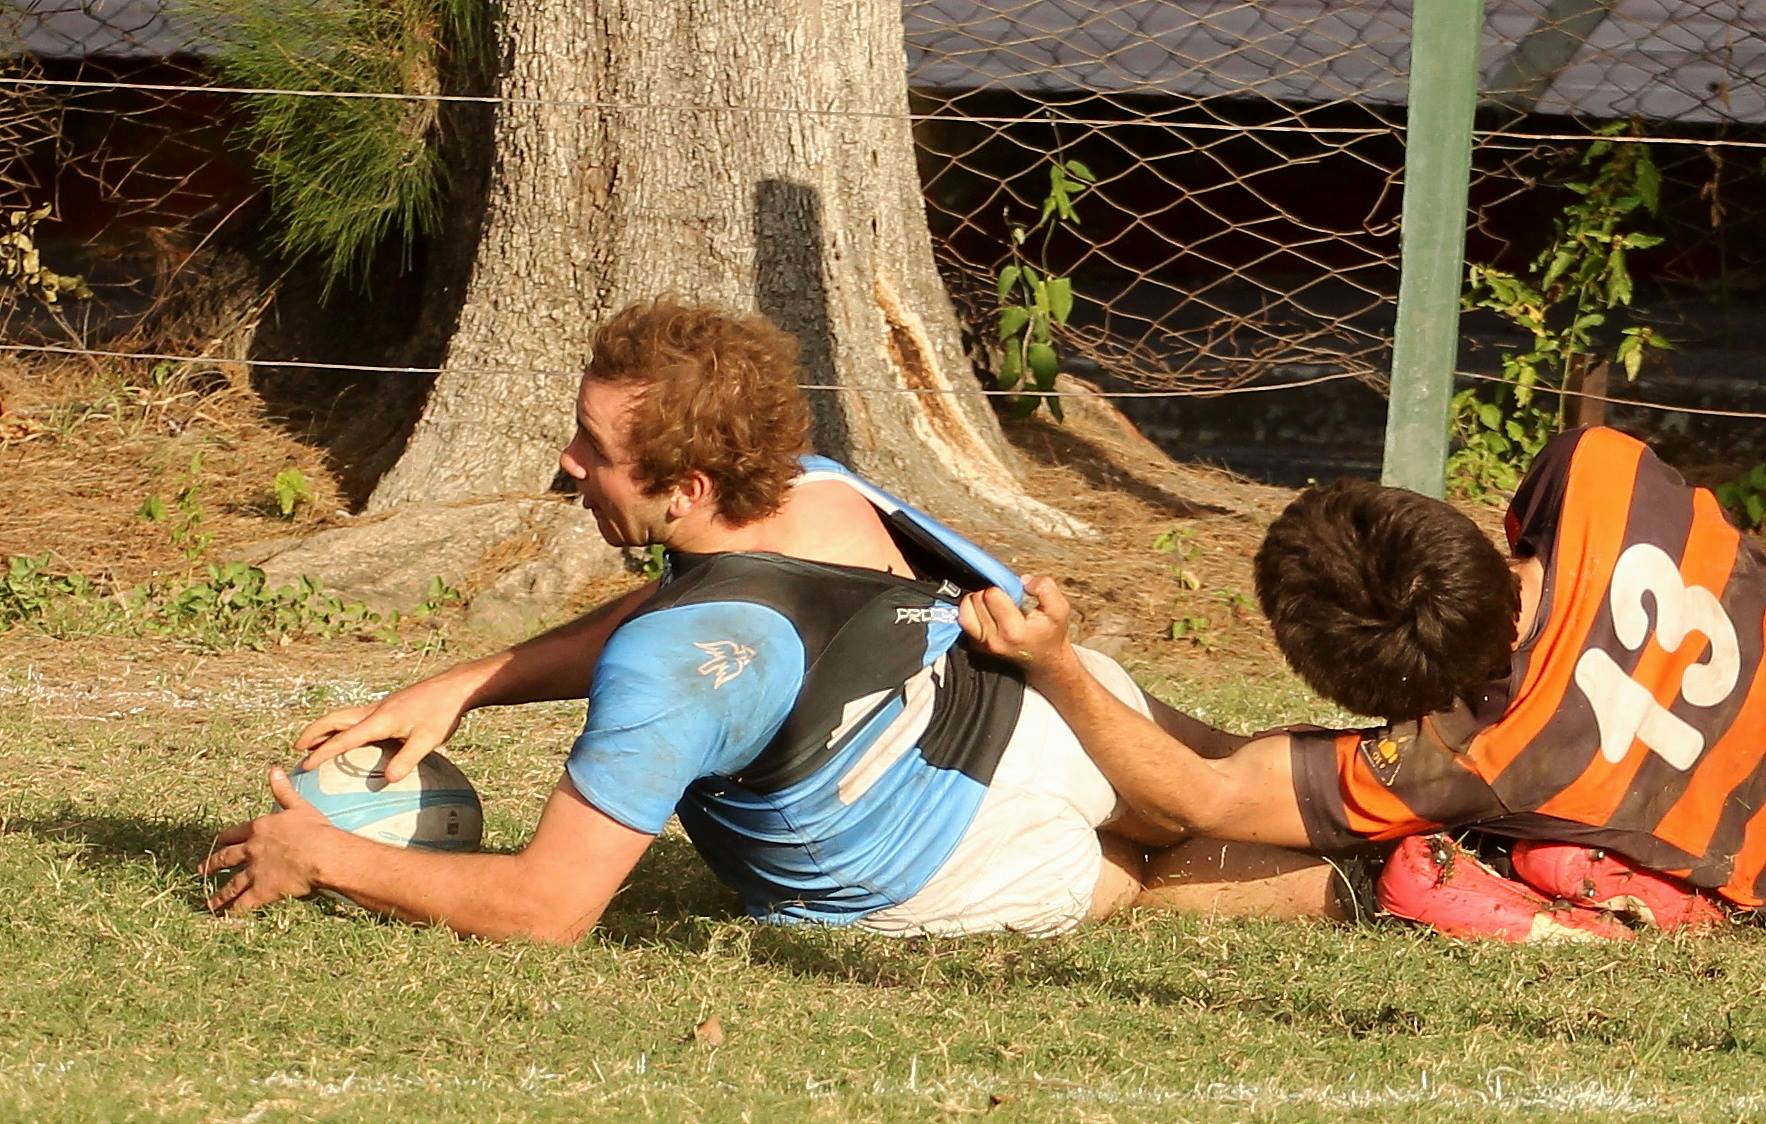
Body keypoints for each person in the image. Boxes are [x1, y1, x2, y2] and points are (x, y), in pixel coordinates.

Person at [200, 298, 1188, 942]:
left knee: (1166, 882)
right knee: (1247, 792)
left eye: (593, 447)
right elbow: (713, 597)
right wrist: (465, 682)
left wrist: (320, 851)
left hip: (964, 860)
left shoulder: (670, 662)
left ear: (685, 486)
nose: (569, 463)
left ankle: (1340, 887)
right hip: (1054, 707)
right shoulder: (817, 489)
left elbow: (546, 908)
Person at [961, 426, 1765, 940]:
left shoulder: (1473, 754)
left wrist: (1057, 667)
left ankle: (1615, 910)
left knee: (1186, 877)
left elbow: (1203, 801)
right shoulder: (1600, 468)